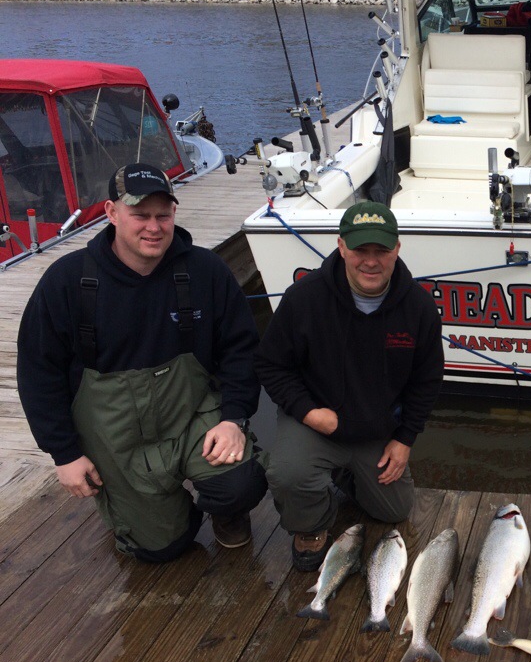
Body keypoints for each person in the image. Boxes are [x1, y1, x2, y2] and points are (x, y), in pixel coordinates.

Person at [17, 163, 268, 562]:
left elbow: (242, 350)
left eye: (162, 215)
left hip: (191, 416)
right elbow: (38, 374)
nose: (154, 227)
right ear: (111, 213)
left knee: (241, 483)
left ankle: (226, 510)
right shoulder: (65, 282)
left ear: (173, 214)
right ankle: (163, 516)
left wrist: (233, 419)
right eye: (140, 215)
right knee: (161, 548)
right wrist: (64, 454)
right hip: (117, 435)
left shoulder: (206, 271)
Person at [255, 200, 444, 572]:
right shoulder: (304, 298)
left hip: (375, 427)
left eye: (381, 251)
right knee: (290, 473)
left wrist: (405, 438)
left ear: (397, 249)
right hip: (317, 421)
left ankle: (343, 473)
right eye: (360, 250)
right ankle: (310, 525)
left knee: (395, 511)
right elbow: (270, 364)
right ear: (341, 247)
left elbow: (426, 379)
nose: (371, 261)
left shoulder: (419, 307)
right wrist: (309, 412)